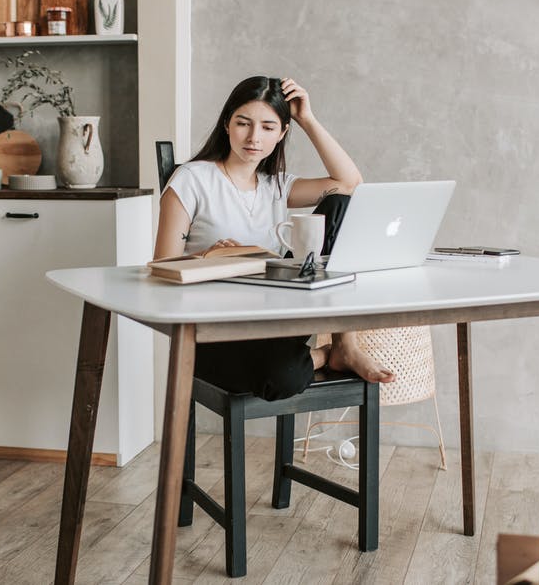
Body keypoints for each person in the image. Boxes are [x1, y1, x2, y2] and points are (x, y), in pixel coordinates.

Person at [154, 76, 395, 401]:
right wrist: (207, 256)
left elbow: (349, 183)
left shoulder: (277, 187)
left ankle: (345, 345)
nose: (254, 137)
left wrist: (307, 120)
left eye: (268, 127)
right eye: (243, 123)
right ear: (227, 124)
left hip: (275, 322)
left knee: (340, 204)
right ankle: (324, 355)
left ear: (282, 133)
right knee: (282, 378)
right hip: (214, 332)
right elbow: (161, 267)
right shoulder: (193, 179)